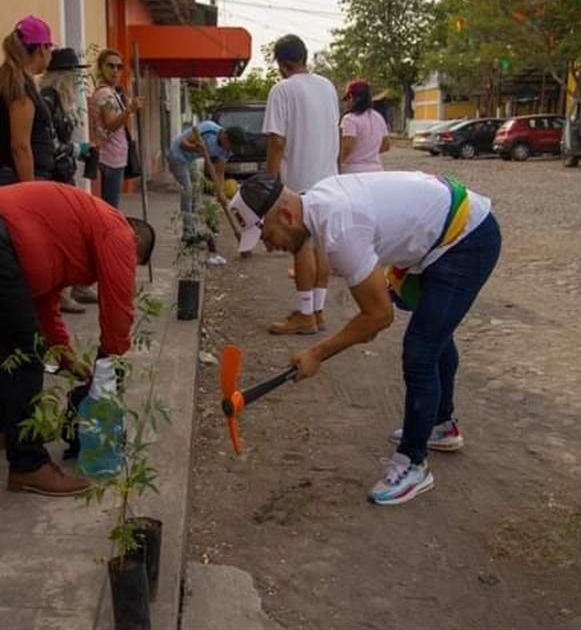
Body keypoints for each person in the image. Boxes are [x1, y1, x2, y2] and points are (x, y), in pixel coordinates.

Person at [228, 171, 501, 505]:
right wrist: (364, 320)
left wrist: (317, 352)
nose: (270, 247)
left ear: (286, 215)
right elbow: (371, 308)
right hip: (443, 234)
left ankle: (413, 463)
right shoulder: (317, 203)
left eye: (267, 236)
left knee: (420, 351)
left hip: (466, 240)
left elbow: (378, 317)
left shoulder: (340, 227)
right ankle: (441, 424)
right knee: (434, 332)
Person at [0, 181, 156, 496]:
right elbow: (117, 302)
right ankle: (28, 466)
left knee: (3, 337)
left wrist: (65, 357)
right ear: (135, 238)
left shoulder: (69, 234)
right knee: (24, 348)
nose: (126, 266)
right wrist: (108, 361)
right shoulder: (117, 229)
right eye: (133, 261)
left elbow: (43, 303)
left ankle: (3, 430)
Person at [262, 34, 340, 336]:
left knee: (302, 247)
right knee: (320, 246)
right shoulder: (327, 87)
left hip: (301, 183)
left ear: (282, 64)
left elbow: (276, 141)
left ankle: (305, 315)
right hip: (329, 179)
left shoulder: (282, 89)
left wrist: (270, 185)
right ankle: (317, 311)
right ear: (304, 57)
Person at [40, 47, 100, 311]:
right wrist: (79, 150)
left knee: (76, 232)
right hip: (53, 176)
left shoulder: (61, 100)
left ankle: (76, 284)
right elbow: (49, 145)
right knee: (64, 235)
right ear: (61, 75)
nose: (77, 81)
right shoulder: (48, 100)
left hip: (64, 173)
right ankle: (62, 292)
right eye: (73, 75)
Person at [0, 15, 56, 185]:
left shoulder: (2, 77)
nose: (50, 53)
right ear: (42, 49)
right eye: (50, 47)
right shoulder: (20, 86)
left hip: (6, 174)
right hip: (21, 178)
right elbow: (20, 146)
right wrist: (29, 190)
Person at [167, 121, 247, 266]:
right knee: (188, 190)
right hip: (177, 155)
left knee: (196, 191)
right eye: (231, 145)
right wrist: (197, 148)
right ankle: (188, 234)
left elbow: (220, 172)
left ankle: (193, 228)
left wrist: (221, 193)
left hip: (190, 160)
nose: (230, 149)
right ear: (225, 137)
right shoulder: (208, 129)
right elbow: (182, 144)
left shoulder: (226, 150)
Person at [91, 48, 144, 208]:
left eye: (118, 67)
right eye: (110, 66)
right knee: (109, 208)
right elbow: (111, 124)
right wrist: (129, 110)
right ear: (101, 68)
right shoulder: (105, 94)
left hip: (115, 156)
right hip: (109, 158)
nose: (115, 71)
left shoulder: (113, 92)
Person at [339, 79, 391, 174]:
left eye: (346, 99)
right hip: (377, 171)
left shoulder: (349, 119)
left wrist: (338, 163)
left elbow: (347, 148)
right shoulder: (378, 117)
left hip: (353, 172)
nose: (346, 103)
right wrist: (368, 153)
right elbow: (386, 145)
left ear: (351, 97)